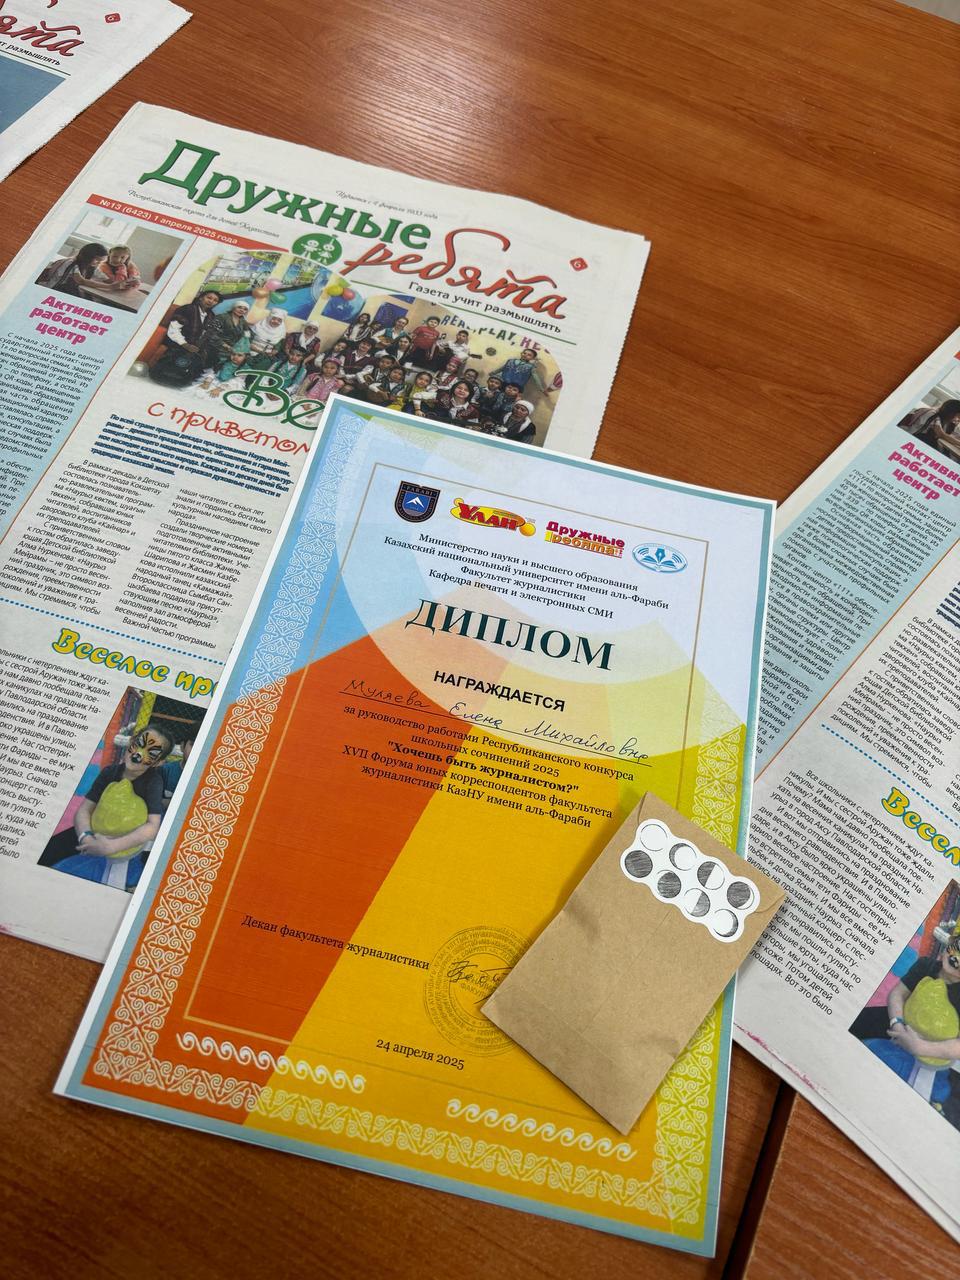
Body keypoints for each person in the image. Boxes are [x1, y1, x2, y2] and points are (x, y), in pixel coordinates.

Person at [40, 724, 174, 891]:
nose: (139, 754)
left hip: (124, 843)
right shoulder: (110, 772)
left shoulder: (153, 782)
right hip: (96, 830)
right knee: (47, 854)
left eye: (151, 754)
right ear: (131, 741)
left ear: (159, 762)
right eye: (139, 744)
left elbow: (152, 826)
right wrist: (86, 837)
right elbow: (85, 809)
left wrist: (111, 846)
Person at [863, 937, 960, 1107]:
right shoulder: (925, 966)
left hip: (934, 1061)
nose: (957, 960)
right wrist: (897, 1025)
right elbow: (898, 994)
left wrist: (920, 1047)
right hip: (898, 1038)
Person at [149, 288, 223, 386]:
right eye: (209, 298)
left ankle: (187, 378)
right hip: (178, 343)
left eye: (215, 300)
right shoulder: (187, 309)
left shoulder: (211, 316)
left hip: (195, 346)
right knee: (176, 358)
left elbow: (205, 334)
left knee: (210, 357)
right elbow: (174, 330)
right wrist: (185, 344)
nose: (211, 301)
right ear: (201, 298)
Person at [38, 242, 108, 297]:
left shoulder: (90, 265)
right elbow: (81, 281)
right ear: (88, 256)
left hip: (64, 289)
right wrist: (109, 286)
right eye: (97, 259)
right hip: (53, 289)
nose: (99, 263)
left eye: (101, 261)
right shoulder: (71, 263)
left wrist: (111, 282)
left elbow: (103, 277)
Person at [202, 299, 251, 368]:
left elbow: (247, 336)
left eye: (245, 309)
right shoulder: (221, 317)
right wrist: (225, 345)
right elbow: (210, 333)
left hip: (231, 350)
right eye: (239, 307)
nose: (242, 310)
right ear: (234, 307)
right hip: (215, 347)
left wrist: (242, 347)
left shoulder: (243, 322)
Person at [245, 308, 289, 372]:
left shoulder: (281, 332)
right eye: (274, 319)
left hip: (266, 356)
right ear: (269, 318)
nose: (276, 322)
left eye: (279, 320)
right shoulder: (257, 327)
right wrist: (259, 351)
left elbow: (277, 348)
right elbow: (247, 342)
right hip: (250, 351)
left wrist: (272, 353)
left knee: (262, 367)